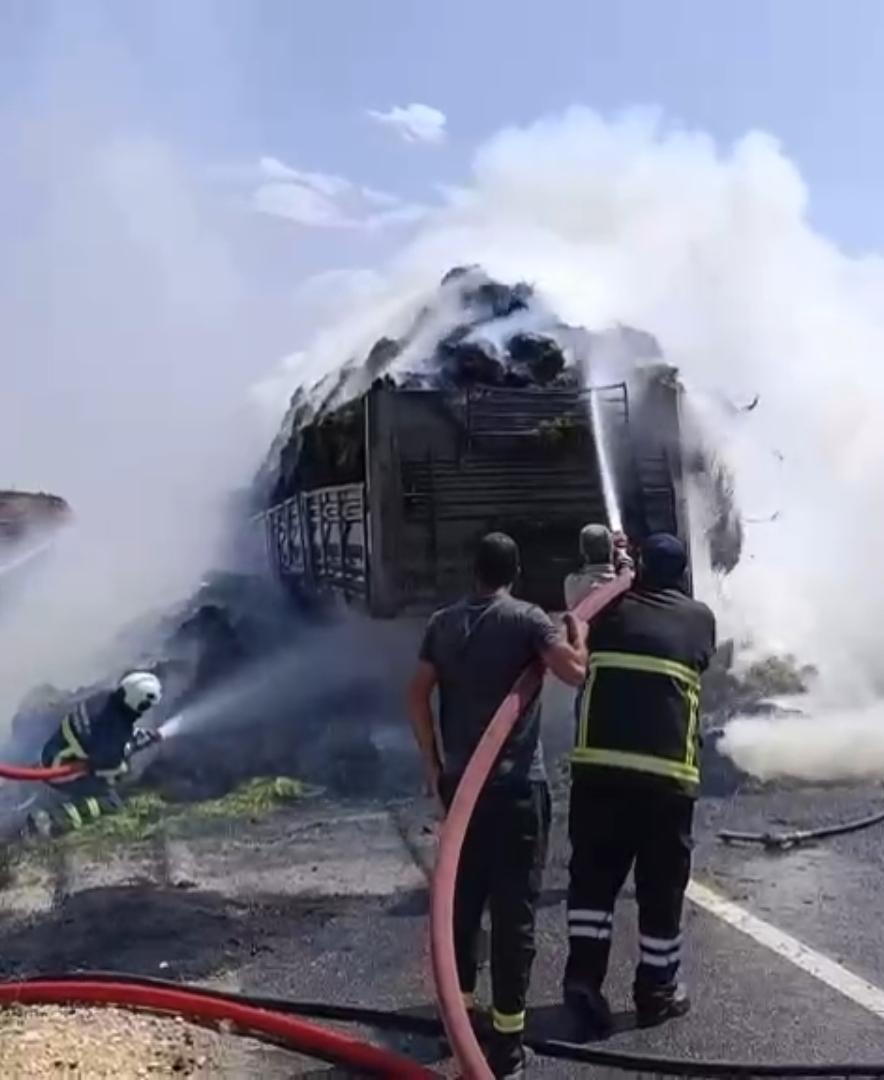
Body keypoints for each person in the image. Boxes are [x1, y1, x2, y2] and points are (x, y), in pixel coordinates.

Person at [408, 532, 587, 1079]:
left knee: (462, 906)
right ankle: (507, 1043)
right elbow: (574, 672)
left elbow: (416, 694)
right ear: (515, 572)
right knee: (514, 915)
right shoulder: (528, 619)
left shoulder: (443, 623)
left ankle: (459, 1020)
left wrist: (433, 766)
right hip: (516, 791)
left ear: (475, 571)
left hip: (462, 792)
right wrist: (578, 634)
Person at [563, 533, 716, 1035]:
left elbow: (581, 611)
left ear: (640, 568)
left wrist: (617, 570)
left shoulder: (606, 611)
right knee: (660, 889)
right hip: (666, 782)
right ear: (682, 576)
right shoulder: (698, 619)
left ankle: (583, 980)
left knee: (593, 881)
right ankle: (656, 992)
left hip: (600, 774)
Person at [26, 671, 163, 837]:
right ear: (140, 704)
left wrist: (132, 738)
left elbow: (105, 731)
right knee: (111, 802)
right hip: (60, 772)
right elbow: (108, 767)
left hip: (53, 752)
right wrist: (131, 747)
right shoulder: (114, 730)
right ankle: (51, 820)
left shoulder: (103, 698)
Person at [563, 524, 634, 610]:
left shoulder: (572, 583)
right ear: (611, 551)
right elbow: (627, 571)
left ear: (583, 552)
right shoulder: (624, 584)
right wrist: (622, 556)